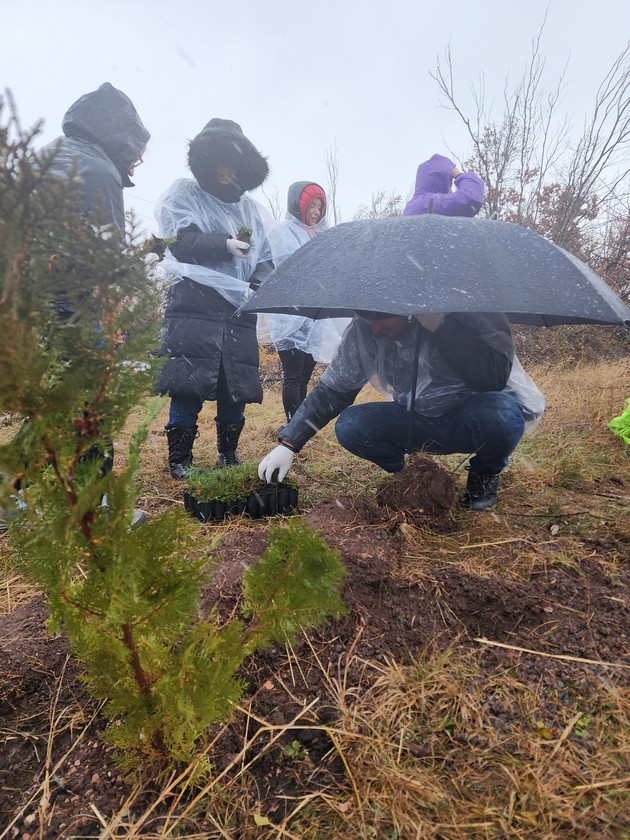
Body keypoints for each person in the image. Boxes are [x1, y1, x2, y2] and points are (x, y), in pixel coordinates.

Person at [258, 311, 545, 510]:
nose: (375, 328)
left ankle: (484, 476)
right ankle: (413, 477)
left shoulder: (466, 314)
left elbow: (491, 377)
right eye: (369, 321)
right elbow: (334, 391)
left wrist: (442, 327)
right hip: (415, 420)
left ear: (409, 311)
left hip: (469, 418)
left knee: (503, 415)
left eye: (382, 319)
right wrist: (289, 443)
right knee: (352, 426)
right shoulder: (367, 331)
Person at [39, 82, 150, 528]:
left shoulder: (47, 155)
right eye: (137, 152)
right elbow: (105, 258)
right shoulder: (98, 170)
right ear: (121, 138)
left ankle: (16, 503)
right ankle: (95, 507)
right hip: (66, 304)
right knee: (90, 404)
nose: (137, 161)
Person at [156, 118, 274, 478]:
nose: (225, 170)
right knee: (188, 382)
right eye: (219, 162)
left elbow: (264, 259)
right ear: (206, 163)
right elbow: (181, 242)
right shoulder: (184, 194)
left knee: (234, 386)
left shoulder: (251, 210)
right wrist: (223, 245)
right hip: (194, 302)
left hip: (237, 309)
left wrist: (259, 283)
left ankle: (228, 455)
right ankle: (180, 460)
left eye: (232, 164)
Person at [265, 182, 348, 424]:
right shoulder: (283, 232)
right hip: (289, 315)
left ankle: (297, 428)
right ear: (298, 206)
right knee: (293, 375)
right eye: (311, 206)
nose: (315, 211)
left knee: (304, 376)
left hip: (315, 316)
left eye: (319, 206)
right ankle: (293, 425)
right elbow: (289, 266)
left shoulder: (324, 235)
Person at [403, 153, 484, 218]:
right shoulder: (427, 202)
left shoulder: (416, 205)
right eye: (450, 184)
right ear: (441, 183)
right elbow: (471, 199)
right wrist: (458, 175)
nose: (451, 191)